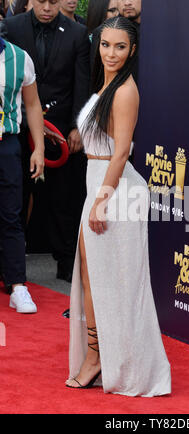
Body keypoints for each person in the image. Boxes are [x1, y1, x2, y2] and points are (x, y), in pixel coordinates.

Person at [66, 17, 171, 397]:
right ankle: (100, 356)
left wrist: (102, 201)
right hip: (100, 185)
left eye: (120, 47)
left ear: (132, 50)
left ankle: (101, 361)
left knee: (114, 284)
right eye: (106, 44)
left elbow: (122, 151)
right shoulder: (108, 84)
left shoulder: (126, 91)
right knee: (96, 281)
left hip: (114, 192)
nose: (111, 53)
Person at [2, 0, 90, 282]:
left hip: (62, 130)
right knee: (14, 201)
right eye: (42, 1)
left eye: (54, 1)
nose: (48, 7)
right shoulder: (12, 28)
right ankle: (11, 269)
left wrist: (78, 126)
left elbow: (82, 82)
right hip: (19, 129)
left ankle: (66, 263)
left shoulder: (77, 33)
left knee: (64, 200)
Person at [0, 36, 44, 313]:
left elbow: (33, 104)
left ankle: (18, 286)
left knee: (10, 214)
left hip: (7, 145)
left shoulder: (20, 57)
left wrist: (39, 148)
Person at [88, 0, 119, 68]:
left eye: (118, 10)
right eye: (112, 10)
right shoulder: (86, 42)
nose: (117, 14)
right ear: (99, 11)